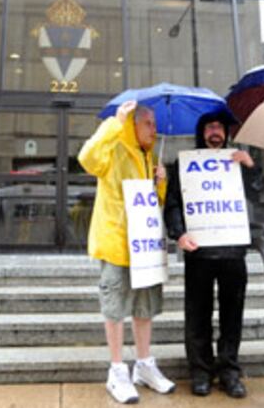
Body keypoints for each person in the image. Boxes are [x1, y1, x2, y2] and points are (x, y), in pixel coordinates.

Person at [78, 100, 176, 404]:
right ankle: (117, 370)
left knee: (144, 307)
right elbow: (87, 158)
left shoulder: (149, 157)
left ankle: (144, 364)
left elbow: (152, 204)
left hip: (144, 246)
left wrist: (161, 184)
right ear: (134, 125)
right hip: (116, 242)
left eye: (156, 126)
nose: (154, 131)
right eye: (149, 124)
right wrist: (114, 123)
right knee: (115, 307)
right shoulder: (115, 146)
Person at [163, 110, 259, 399]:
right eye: (209, 127)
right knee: (197, 314)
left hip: (232, 249)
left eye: (219, 127)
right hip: (199, 250)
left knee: (233, 313)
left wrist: (250, 167)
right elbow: (173, 203)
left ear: (226, 132)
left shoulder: (237, 160)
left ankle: (229, 370)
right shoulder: (184, 163)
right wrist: (178, 233)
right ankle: (201, 371)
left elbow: (257, 193)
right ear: (201, 132)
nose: (214, 131)